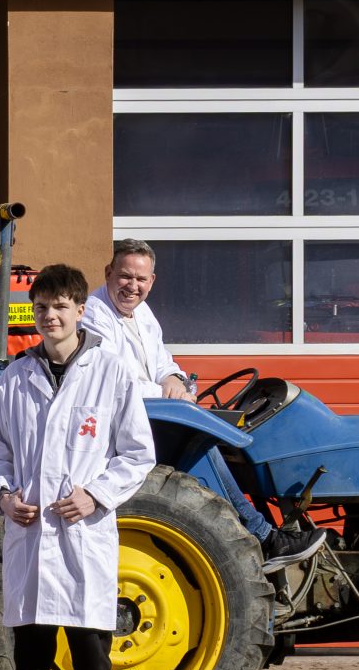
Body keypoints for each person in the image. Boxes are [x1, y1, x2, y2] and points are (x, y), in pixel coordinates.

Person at [0, 262, 156, 670]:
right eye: (42, 307)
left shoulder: (111, 372)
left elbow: (137, 453)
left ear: (80, 309)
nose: (50, 316)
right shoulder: (15, 378)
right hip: (31, 534)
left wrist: (95, 495)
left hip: (82, 534)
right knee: (31, 651)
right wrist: (4, 498)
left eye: (60, 306)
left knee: (90, 651)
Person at [81, 239, 319, 569]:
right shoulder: (95, 315)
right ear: (109, 273)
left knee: (210, 441)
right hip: (121, 425)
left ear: (152, 281)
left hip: (148, 411)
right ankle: (263, 537)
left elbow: (161, 360)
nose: (132, 286)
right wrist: (166, 393)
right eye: (125, 276)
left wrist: (174, 380)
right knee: (201, 445)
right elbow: (113, 380)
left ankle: (259, 533)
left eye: (140, 279)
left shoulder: (141, 312)